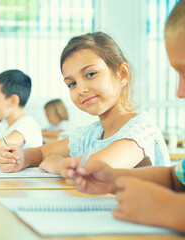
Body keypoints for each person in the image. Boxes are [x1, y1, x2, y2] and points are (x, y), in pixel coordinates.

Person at [62, 0, 185, 233]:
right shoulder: (91, 130)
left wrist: (168, 208)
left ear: (122, 74)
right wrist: (113, 178)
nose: (179, 92)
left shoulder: (138, 129)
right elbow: (175, 178)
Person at [0, 32, 169, 173]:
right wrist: (19, 157)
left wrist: (57, 164)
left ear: (121, 74)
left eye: (90, 74)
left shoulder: (140, 129)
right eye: (72, 84)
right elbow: (42, 152)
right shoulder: (91, 135)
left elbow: (94, 171)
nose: (81, 89)